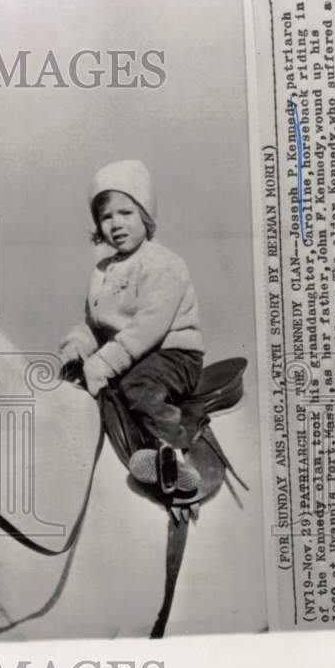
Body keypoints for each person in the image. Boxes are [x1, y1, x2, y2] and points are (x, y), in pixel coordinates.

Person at [59, 159, 204, 494]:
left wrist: (105, 362)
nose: (116, 224)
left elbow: (148, 327)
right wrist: (77, 347)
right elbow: (93, 323)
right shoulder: (102, 271)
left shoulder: (164, 264)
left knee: (139, 388)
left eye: (126, 213)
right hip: (126, 355)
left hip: (171, 354)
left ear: (145, 215)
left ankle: (175, 454)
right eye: (106, 217)